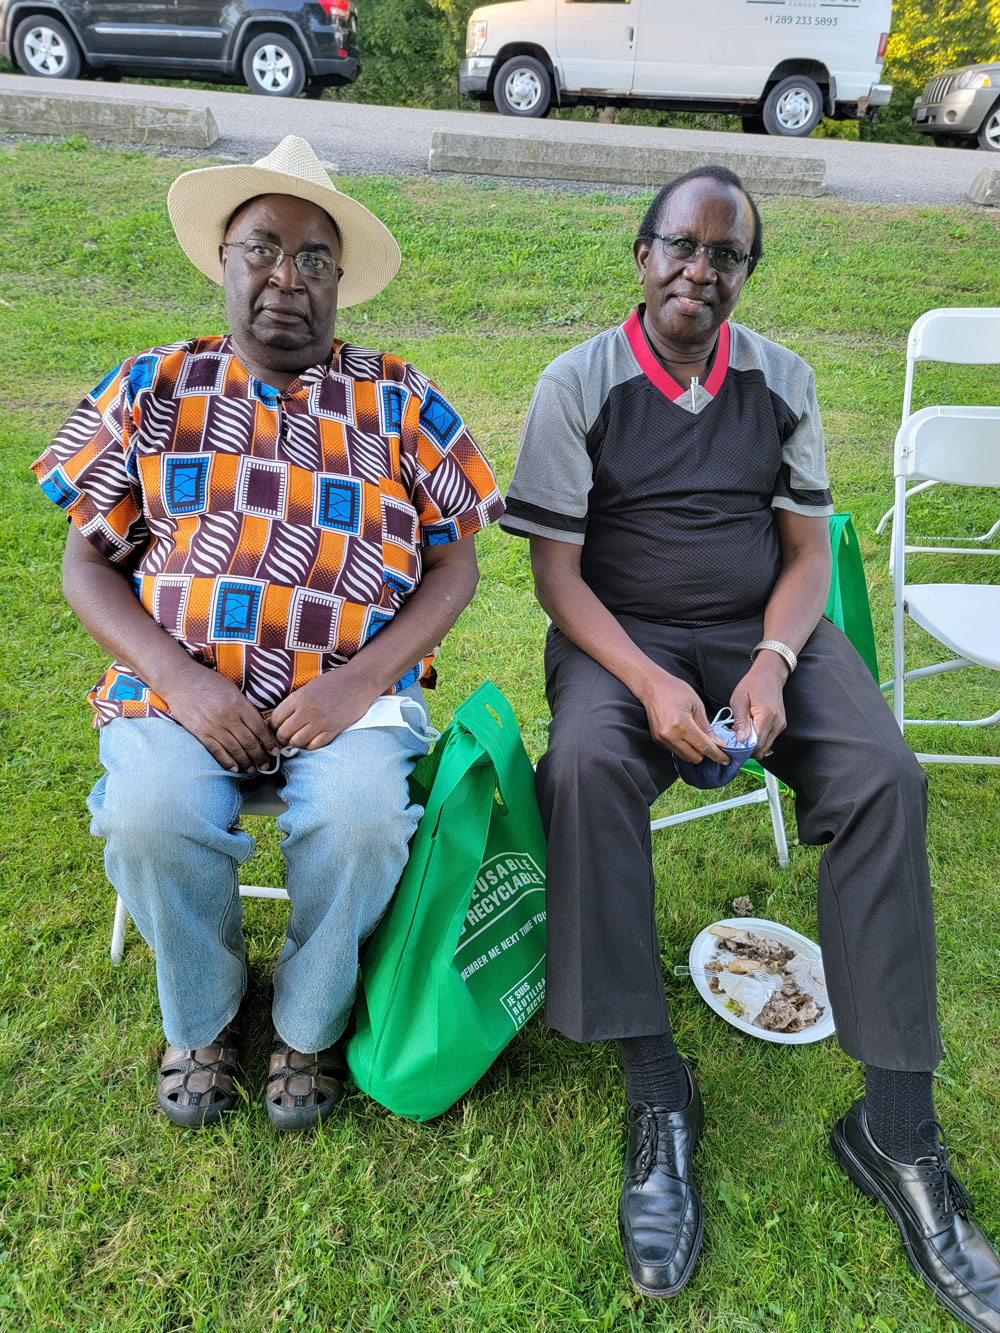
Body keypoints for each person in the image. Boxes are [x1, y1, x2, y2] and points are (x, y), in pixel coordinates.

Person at [499, 165, 1000, 1332]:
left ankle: (895, 1130)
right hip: (620, 638)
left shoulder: (782, 379)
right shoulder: (577, 384)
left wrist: (773, 661)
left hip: (759, 633)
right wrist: (645, 679)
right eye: (680, 246)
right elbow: (554, 574)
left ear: (745, 273)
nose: (700, 270)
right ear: (641, 256)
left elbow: (808, 552)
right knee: (582, 770)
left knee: (883, 776)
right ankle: (657, 1090)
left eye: (725, 255)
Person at [31, 136, 504, 1132]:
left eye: (314, 258)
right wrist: (184, 682)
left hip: (350, 699)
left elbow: (455, 563)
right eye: (262, 249)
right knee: (147, 812)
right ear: (224, 259)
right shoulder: (153, 388)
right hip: (179, 694)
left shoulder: (400, 398)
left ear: (339, 281)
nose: (287, 277)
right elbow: (86, 564)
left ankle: (307, 1019)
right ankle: (203, 1016)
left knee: (364, 818)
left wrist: (360, 681)